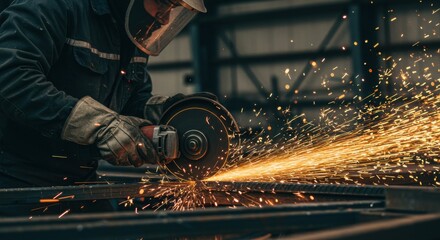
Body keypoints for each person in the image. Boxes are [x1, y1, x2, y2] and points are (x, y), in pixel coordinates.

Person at [0, 0, 209, 189]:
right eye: (163, 3)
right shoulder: (53, 6)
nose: (164, 18)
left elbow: (129, 103)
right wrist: (99, 126)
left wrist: (171, 111)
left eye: (172, 9)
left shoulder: (131, 33)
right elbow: (10, 77)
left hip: (80, 176)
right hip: (16, 176)